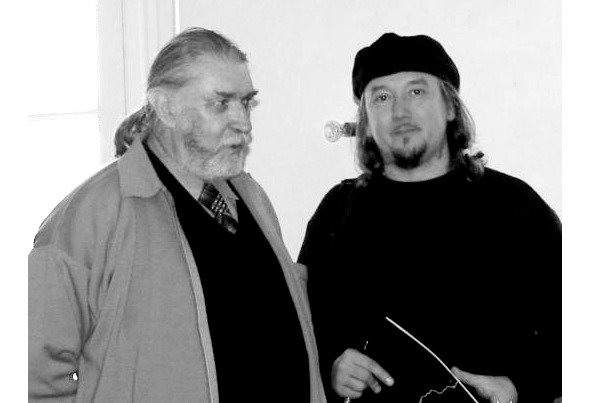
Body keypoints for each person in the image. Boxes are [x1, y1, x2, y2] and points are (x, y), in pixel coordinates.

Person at [29, 27, 326, 403]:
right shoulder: (91, 215)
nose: (244, 122)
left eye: (246, 102)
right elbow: (33, 374)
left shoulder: (250, 196)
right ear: (166, 107)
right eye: (220, 103)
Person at [298, 33, 561, 403]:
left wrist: (520, 386)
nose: (400, 112)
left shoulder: (515, 207)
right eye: (382, 97)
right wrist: (332, 365)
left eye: (417, 92)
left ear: (450, 107)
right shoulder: (338, 212)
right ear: (367, 119)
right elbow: (302, 326)